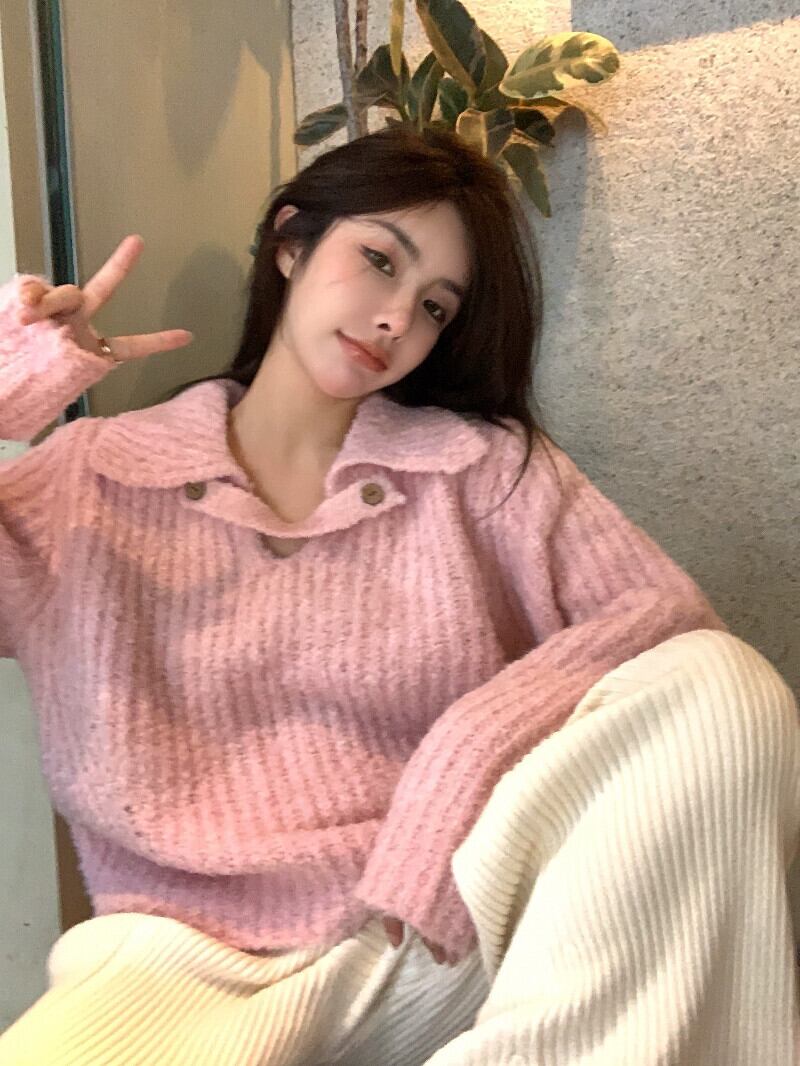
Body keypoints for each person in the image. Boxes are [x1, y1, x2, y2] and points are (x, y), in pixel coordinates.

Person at [0, 126, 797, 1065]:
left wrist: (464, 757)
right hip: (179, 964)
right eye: (379, 260)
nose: (395, 319)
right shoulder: (90, 479)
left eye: (434, 306)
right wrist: (10, 387)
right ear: (291, 241)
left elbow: (665, 630)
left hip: (442, 927)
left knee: (723, 686)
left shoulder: (481, 469)